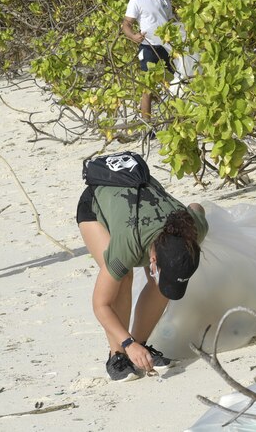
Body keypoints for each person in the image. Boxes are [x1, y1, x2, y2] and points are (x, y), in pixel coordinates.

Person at [76, 160, 208, 382]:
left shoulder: (194, 228)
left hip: (142, 213)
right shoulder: (128, 245)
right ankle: (117, 355)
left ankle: (141, 346)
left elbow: (196, 207)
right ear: (152, 260)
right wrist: (127, 343)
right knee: (123, 277)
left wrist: (136, 344)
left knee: (160, 284)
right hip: (95, 205)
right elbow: (101, 304)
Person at [121, 0, 175, 121]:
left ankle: (174, 118)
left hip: (167, 48)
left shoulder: (165, 2)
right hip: (148, 48)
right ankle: (147, 124)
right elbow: (126, 25)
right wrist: (133, 36)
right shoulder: (137, 0)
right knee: (148, 88)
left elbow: (171, 23)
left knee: (173, 83)